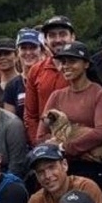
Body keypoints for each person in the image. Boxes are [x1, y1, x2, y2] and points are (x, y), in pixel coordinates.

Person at [43, 41, 102, 203]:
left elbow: (101, 133)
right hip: (59, 168)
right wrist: (64, 149)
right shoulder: (56, 96)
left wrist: (64, 146)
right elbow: (41, 134)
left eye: (72, 61)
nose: (66, 66)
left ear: (86, 64)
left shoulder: (101, 94)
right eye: (63, 62)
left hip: (91, 168)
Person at [20, 15, 74, 146]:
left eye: (62, 34)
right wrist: (39, 143)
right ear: (45, 40)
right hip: (45, 145)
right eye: (52, 35)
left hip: (77, 144)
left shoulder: (84, 67)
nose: (58, 40)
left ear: (72, 37)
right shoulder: (36, 70)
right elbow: (30, 115)